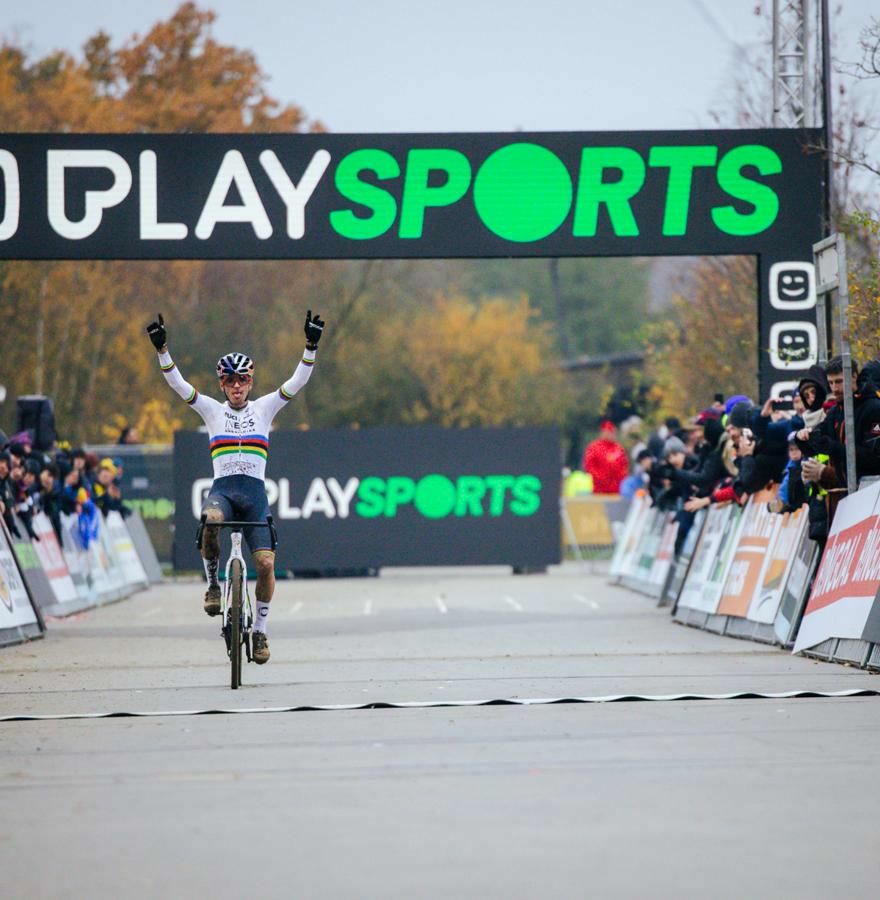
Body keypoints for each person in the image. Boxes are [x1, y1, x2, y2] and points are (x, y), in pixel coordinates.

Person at [146, 309, 325, 666]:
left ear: (250, 383)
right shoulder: (212, 411)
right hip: (225, 491)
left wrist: (310, 346)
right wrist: (162, 349)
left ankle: (259, 630)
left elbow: (298, 381)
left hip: (255, 495)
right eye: (231, 381)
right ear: (222, 385)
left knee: (266, 564)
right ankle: (214, 584)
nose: (238, 386)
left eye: (242, 380)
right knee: (210, 517)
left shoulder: (265, 408)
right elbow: (179, 386)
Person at [582, 420, 629, 495]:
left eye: (612, 432)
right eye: (607, 432)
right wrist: (601, 479)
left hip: (616, 490)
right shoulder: (594, 447)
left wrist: (620, 480)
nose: (610, 434)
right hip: (599, 490)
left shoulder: (618, 448)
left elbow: (624, 467)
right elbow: (589, 466)